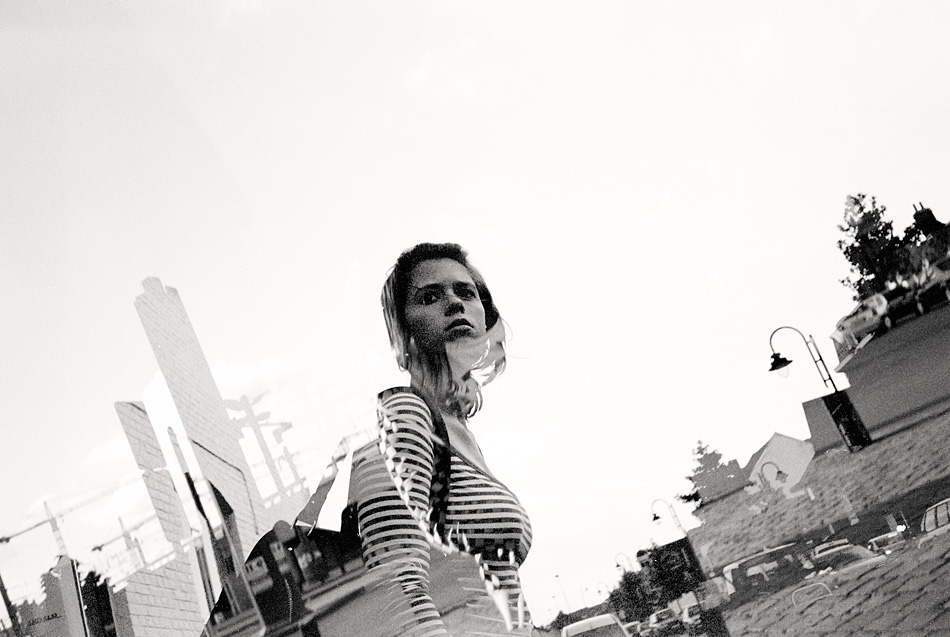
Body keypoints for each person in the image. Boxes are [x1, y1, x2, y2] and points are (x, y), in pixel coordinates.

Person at [351, 242, 533, 636]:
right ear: (404, 330)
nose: (454, 303)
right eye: (430, 297)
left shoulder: (456, 429)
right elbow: (396, 590)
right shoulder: (406, 416)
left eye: (466, 292)